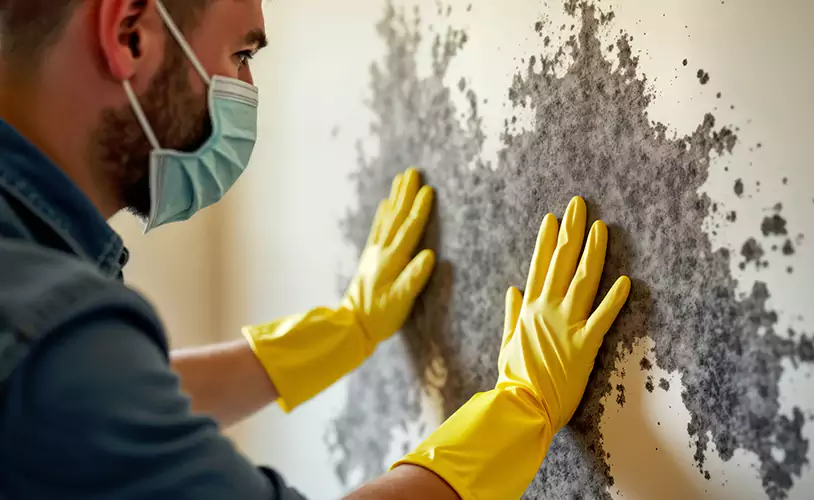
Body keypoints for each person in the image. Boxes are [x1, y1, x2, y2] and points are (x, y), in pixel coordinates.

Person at [0, 0, 631, 499]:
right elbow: (74, 382)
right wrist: (519, 411)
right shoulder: (45, 337)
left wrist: (341, 332)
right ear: (130, 33)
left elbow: (116, 406)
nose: (248, 89)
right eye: (240, 53)